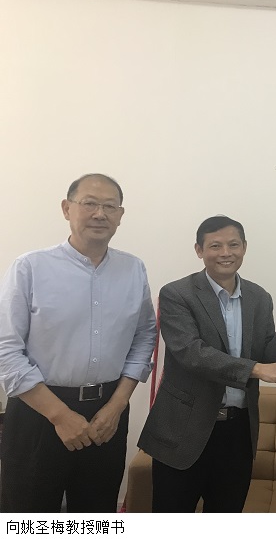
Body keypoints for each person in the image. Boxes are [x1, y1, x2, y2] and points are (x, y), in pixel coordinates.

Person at [0, 174, 157, 512]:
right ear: (66, 208)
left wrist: (117, 406)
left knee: (96, 515)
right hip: (38, 414)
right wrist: (59, 416)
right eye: (89, 203)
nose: (100, 213)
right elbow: (6, 350)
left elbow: (145, 336)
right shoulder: (30, 267)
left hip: (107, 414)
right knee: (28, 517)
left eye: (110, 206)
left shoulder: (133, 269)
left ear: (120, 215)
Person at [138, 215, 276, 513]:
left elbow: (266, 354)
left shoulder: (259, 297)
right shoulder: (177, 294)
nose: (226, 253)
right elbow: (192, 353)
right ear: (199, 250)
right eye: (215, 246)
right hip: (184, 428)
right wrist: (255, 370)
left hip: (237, 432)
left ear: (244, 248)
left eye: (233, 245)